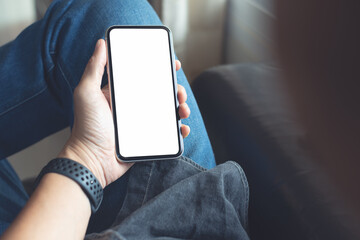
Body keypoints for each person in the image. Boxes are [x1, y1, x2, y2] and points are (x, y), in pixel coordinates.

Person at [0, 0, 249, 239]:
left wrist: (88, 155)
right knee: (114, 12)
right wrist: (88, 157)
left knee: (107, 11)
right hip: (194, 214)